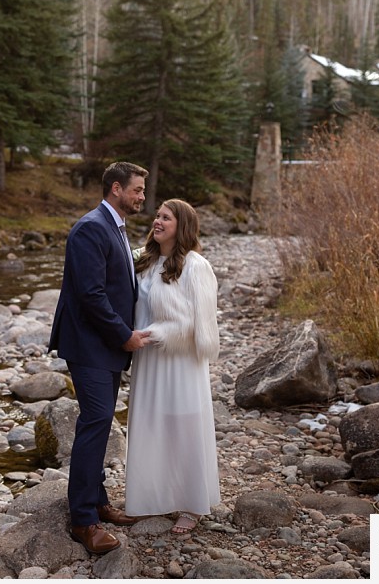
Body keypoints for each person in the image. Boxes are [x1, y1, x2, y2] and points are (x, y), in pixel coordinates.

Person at [48, 161, 152, 555]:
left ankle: (98, 500)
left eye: (143, 190)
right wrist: (124, 334)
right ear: (115, 188)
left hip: (102, 346)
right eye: (137, 189)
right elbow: (91, 295)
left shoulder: (115, 227)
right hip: (90, 345)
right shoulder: (90, 228)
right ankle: (83, 521)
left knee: (101, 421)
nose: (142, 196)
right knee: (94, 423)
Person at [124, 198, 221, 534]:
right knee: (151, 425)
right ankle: (152, 496)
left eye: (166, 218)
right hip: (149, 359)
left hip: (180, 363)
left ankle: (192, 504)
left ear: (182, 226)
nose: (157, 221)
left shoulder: (196, 266)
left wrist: (158, 333)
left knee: (183, 427)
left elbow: (203, 329)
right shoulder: (143, 260)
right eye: (157, 215)